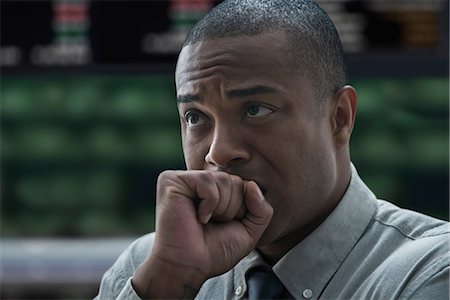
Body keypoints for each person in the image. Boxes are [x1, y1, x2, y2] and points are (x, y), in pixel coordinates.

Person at [96, 0, 449, 299]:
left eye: (255, 110)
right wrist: (167, 282)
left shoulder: (430, 270)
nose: (218, 153)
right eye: (195, 117)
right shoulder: (149, 268)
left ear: (339, 118)